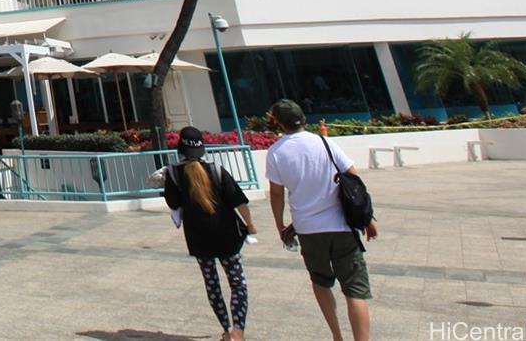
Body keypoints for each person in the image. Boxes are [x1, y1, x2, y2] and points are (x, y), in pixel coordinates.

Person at [266, 100, 378, 341]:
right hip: (341, 226)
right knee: (355, 291)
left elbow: (276, 193)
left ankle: (337, 335)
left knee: (321, 281)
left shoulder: (276, 152)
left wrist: (280, 225)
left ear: (278, 122)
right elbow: (354, 178)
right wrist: (367, 218)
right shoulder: (324, 142)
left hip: (308, 230)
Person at [160, 127, 255, 341]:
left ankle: (226, 328)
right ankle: (238, 331)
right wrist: (250, 225)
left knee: (211, 283)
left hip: (198, 237)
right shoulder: (216, 170)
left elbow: (173, 203)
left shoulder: (174, 173)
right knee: (237, 281)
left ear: (180, 149)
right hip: (227, 233)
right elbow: (239, 201)